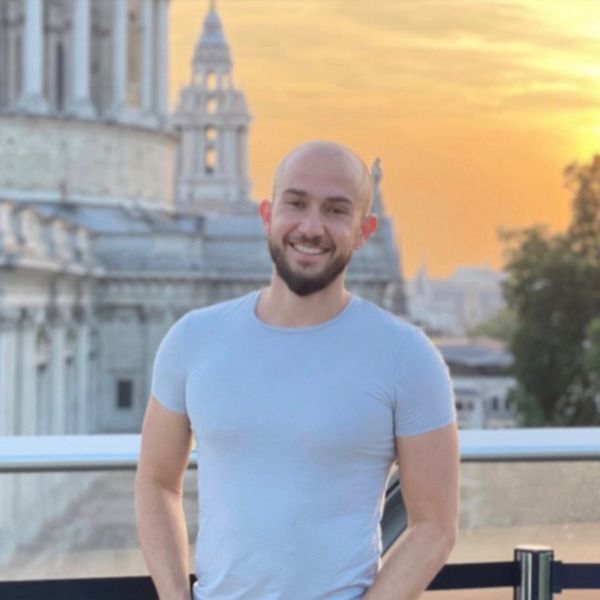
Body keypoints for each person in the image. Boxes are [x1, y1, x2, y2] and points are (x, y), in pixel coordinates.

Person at [135, 140, 459, 600]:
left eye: (335, 210)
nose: (311, 227)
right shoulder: (191, 339)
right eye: (296, 203)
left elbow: (436, 527)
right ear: (268, 215)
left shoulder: (408, 356)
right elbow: (155, 483)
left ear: (364, 231)